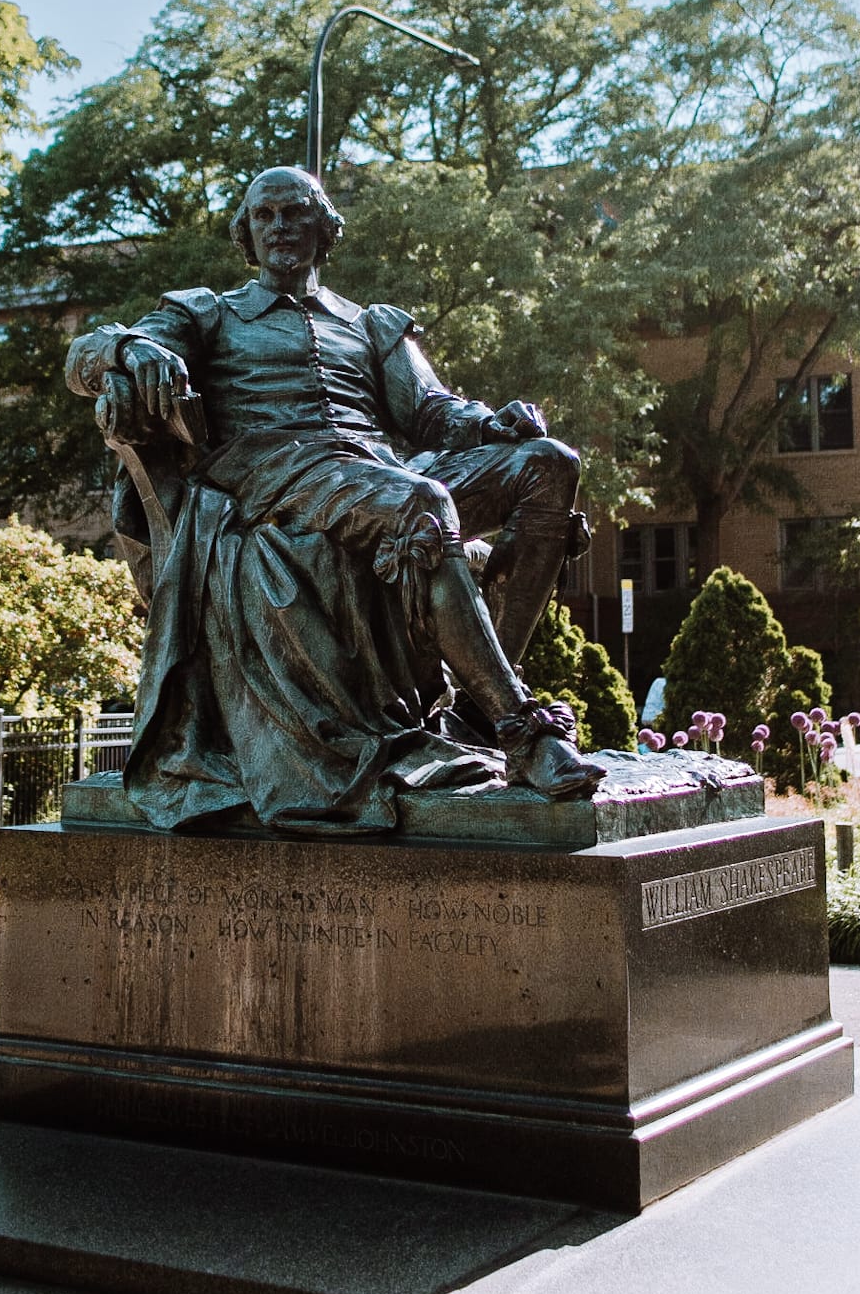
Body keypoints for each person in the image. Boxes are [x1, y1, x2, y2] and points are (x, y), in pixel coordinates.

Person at [66, 165, 603, 832]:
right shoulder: (207, 312)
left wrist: (492, 425)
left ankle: (477, 700)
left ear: (324, 230)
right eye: (263, 216)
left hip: (374, 471)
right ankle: (523, 731)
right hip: (271, 471)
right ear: (247, 234)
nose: (279, 225)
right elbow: (82, 360)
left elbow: (431, 410)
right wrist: (127, 348)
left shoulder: (372, 324)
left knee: (549, 465)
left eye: (295, 212)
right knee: (423, 503)